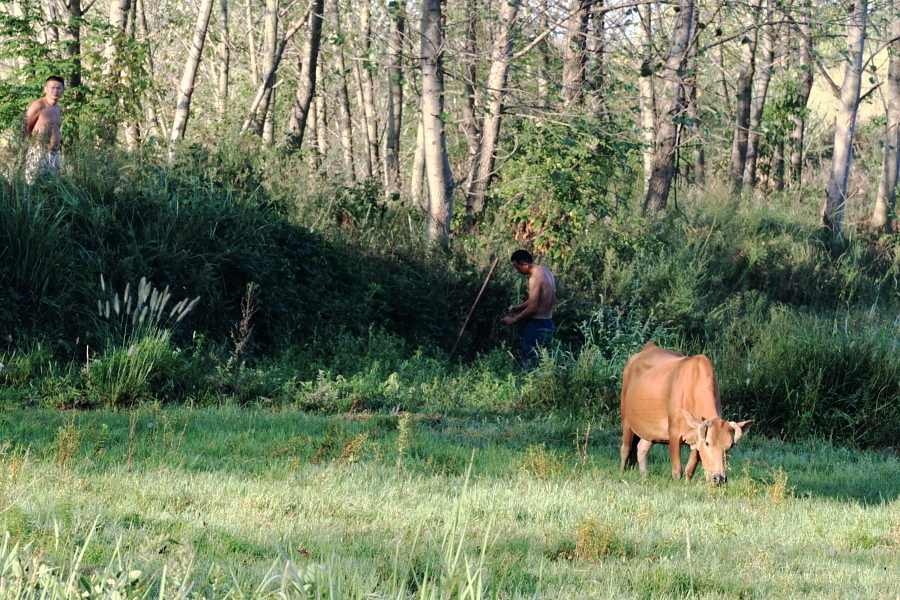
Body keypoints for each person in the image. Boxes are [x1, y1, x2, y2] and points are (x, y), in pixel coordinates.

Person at [501, 249, 556, 369]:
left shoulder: (534, 278)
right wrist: (519, 307)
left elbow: (533, 308)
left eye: (518, 268)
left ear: (525, 264)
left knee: (530, 362)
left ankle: (528, 385)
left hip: (535, 326)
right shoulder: (546, 271)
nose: (518, 271)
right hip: (548, 323)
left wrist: (513, 319)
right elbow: (539, 298)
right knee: (544, 362)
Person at [23, 76, 65, 185]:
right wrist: (36, 146)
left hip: (54, 154)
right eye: (53, 87)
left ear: (62, 90)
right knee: (33, 186)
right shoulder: (39, 105)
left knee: (53, 189)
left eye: (58, 88)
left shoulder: (58, 108)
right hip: (38, 152)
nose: (55, 91)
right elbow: (24, 128)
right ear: (46, 89)